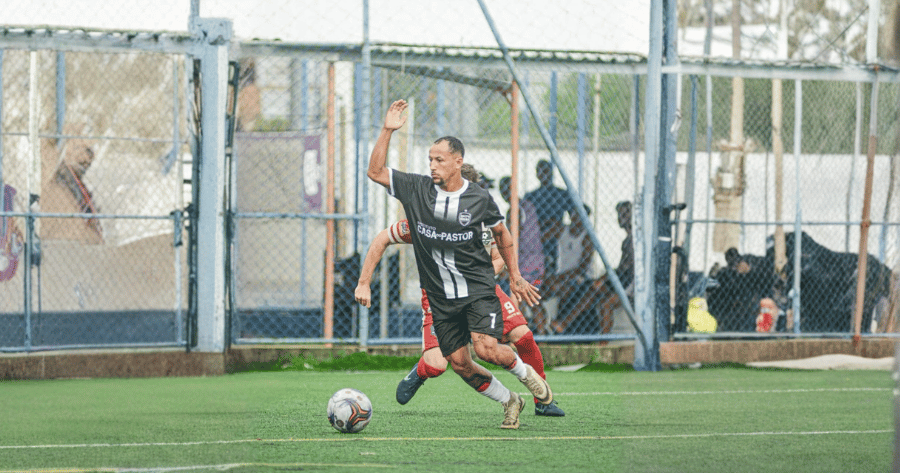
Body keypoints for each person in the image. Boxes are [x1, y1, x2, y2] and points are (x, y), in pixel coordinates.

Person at [366, 99, 551, 429]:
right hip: (440, 299)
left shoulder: (479, 203)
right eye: (430, 160)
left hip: (478, 291)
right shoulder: (419, 196)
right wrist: (387, 131)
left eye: (439, 160)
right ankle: (510, 400)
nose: (433, 166)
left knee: (489, 349)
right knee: (456, 364)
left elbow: (503, 237)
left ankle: (531, 380)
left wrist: (515, 274)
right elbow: (376, 176)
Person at [354, 166, 564, 417]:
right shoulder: (427, 222)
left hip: (480, 290)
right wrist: (363, 282)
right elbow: (382, 239)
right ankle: (422, 371)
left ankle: (543, 400)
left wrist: (486, 276)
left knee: (523, 336)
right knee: (440, 365)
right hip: (439, 297)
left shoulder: (484, 221)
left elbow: (499, 257)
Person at [523, 159, 575, 275]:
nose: (544, 174)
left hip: (557, 237)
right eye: (540, 171)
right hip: (536, 237)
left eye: (546, 171)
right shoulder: (531, 196)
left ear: (552, 173)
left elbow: (576, 214)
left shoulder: (562, 194)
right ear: (537, 174)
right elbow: (524, 221)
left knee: (554, 268)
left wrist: (560, 226)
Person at [497, 176, 544, 288]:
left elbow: (512, 239)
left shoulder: (516, 209)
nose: (504, 193)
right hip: (535, 260)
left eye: (506, 189)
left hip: (524, 262)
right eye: (502, 190)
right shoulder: (528, 205)